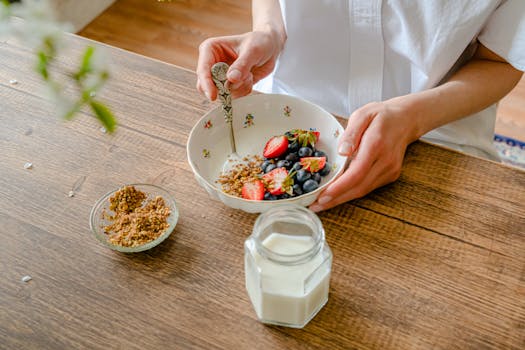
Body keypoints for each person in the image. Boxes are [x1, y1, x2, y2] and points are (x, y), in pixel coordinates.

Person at [196, 0, 525, 212]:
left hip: (436, 139)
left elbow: (499, 61)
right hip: (289, 116)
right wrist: (269, 31)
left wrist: (411, 118)